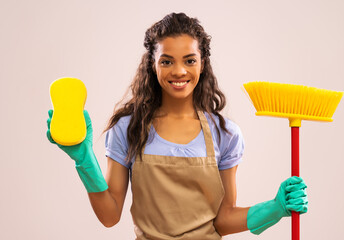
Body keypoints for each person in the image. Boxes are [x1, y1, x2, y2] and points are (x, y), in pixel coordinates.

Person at [46, 12, 308, 239]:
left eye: (189, 60)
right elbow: (110, 215)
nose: (179, 71)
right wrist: (84, 159)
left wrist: (275, 207)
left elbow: (223, 220)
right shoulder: (129, 128)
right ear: (153, 64)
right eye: (167, 61)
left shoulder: (225, 133)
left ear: (202, 63)